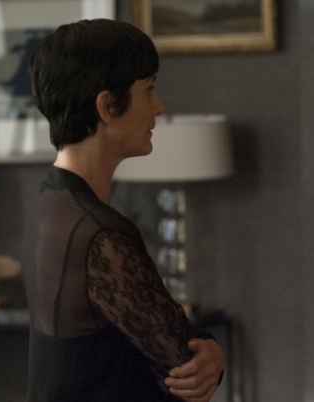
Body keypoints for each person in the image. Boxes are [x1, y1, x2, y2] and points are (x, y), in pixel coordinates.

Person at [22, 19, 224, 402]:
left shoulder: (48, 201)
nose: (159, 107)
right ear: (107, 106)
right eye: (148, 90)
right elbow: (183, 365)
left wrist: (206, 348)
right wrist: (211, 350)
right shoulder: (100, 234)